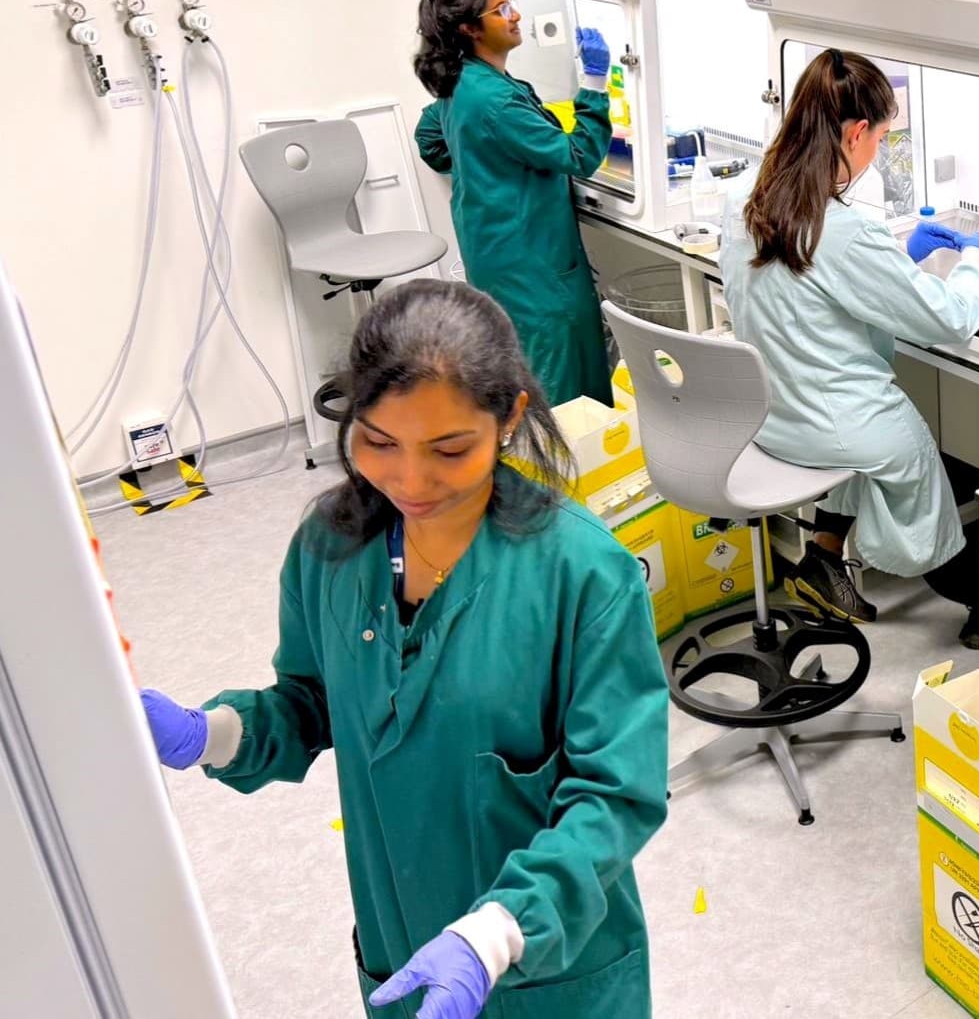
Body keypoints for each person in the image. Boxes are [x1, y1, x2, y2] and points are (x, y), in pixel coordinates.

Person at [140, 279, 669, 1018]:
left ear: (510, 417)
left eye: (450, 450)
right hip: (403, 941)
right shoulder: (330, 548)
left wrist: (494, 936)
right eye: (379, 442)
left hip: (549, 964)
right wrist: (211, 735)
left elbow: (615, 793)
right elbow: (313, 701)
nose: (410, 481)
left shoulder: (581, 573)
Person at [719, 49, 979, 650]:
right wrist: (976, 260)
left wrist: (901, 260)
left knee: (865, 433)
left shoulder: (745, 193)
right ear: (855, 132)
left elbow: (814, 292)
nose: (877, 154)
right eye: (881, 138)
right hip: (838, 427)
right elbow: (950, 320)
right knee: (926, 488)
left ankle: (822, 555)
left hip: (774, 419)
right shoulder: (841, 228)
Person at [413, 0, 615, 409]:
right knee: (561, 387)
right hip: (533, 265)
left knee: (519, 371)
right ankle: (563, 473)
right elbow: (578, 156)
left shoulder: (461, 79)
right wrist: (595, 86)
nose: (516, 15)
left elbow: (430, 141)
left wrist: (485, 164)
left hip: (494, 253)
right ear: (470, 28)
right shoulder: (496, 100)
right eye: (502, 9)